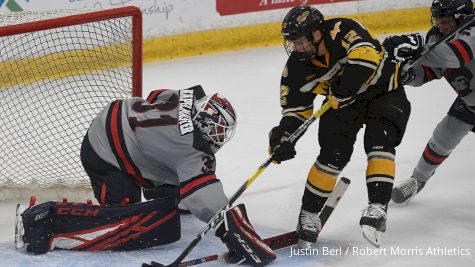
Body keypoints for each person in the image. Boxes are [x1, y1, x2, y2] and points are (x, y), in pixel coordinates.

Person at [16, 85, 276, 266]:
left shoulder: (186, 98)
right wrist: (235, 232)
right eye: (218, 131)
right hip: (105, 154)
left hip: (115, 117)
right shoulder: (193, 149)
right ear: (205, 123)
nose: (219, 139)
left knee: (176, 187)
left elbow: (156, 95)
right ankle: (45, 223)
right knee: (123, 221)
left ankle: (159, 189)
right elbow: (207, 200)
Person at [268, 6, 412, 248]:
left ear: (316, 34)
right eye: (293, 42)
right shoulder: (296, 68)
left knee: (379, 142)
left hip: (384, 94)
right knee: (332, 154)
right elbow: (296, 111)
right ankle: (309, 213)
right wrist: (284, 136)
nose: (297, 48)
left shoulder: (341, 29)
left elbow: (366, 58)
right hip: (342, 104)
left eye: (301, 41)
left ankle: (377, 206)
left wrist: (343, 89)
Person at [385, 0, 475, 204]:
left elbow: (454, 56)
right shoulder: (435, 36)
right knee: (445, 133)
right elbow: (430, 71)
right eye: (438, 19)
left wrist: (417, 49)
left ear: (462, 16)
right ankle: (418, 181)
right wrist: (406, 74)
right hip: (471, 103)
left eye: (446, 20)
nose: (441, 25)